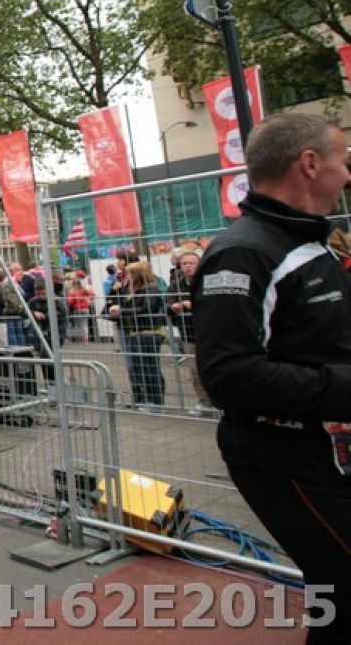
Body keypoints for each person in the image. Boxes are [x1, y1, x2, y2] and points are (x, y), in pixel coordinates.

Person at [193, 114, 351, 642]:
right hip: (284, 457)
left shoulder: (315, 242)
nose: (348, 175)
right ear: (310, 163)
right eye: (344, 161)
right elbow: (228, 375)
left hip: (329, 452)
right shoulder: (244, 251)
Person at [107, 262, 167, 412]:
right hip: (135, 331)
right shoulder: (133, 289)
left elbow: (147, 308)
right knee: (142, 367)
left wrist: (122, 311)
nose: (127, 276)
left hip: (149, 331)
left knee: (150, 367)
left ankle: (157, 402)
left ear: (137, 274)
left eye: (129, 273)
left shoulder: (151, 289)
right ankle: (149, 399)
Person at [166, 250, 213, 415]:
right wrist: (173, 307)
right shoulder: (176, 284)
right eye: (184, 263)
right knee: (195, 371)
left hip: (210, 333)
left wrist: (194, 305)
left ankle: (221, 401)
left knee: (214, 368)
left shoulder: (208, 281)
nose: (187, 266)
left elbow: (215, 304)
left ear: (199, 264)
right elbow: (167, 303)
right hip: (188, 334)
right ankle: (204, 403)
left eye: (191, 263)